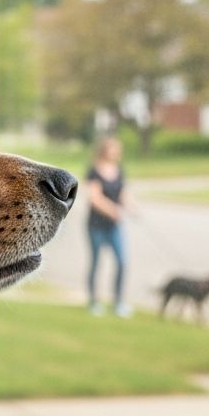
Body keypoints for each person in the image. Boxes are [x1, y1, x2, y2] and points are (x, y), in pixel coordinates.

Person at [86, 136, 132, 317]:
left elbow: (124, 194)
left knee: (122, 261)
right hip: (96, 225)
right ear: (105, 150)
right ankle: (94, 301)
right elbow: (94, 198)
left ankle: (118, 301)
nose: (116, 152)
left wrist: (131, 207)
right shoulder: (94, 171)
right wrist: (113, 210)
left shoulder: (119, 170)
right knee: (96, 262)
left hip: (114, 227)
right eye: (113, 149)